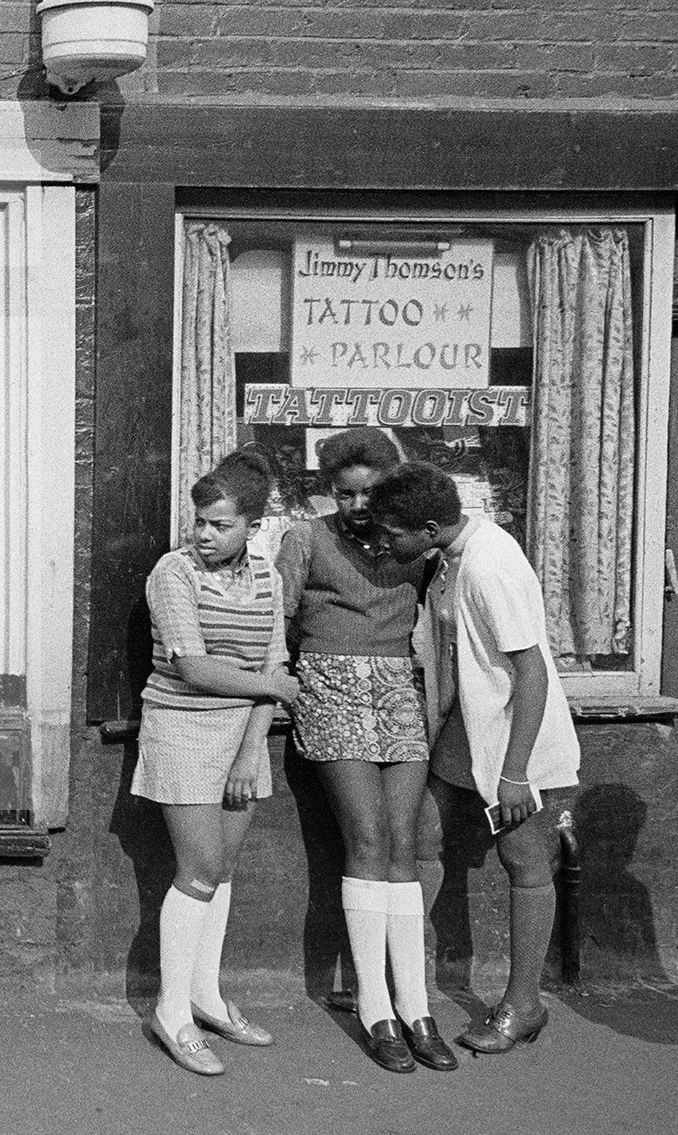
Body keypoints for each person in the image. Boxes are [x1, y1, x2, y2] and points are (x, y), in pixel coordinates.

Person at [368, 462, 581, 1055]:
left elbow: (532, 670)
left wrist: (514, 774)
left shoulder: (491, 565)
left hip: (519, 739)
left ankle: (524, 1005)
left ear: (430, 527)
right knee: (419, 842)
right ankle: (398, 983)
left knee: (524, 862)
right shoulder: (450, 558)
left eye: (394, 533)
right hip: (467, 730)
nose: (386, 543)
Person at [275, 429, 453, 1073]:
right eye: (343, 492)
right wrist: (285, 688)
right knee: (368, 838)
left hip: (401, 689)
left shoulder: (414, 547)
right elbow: (280, 622)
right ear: (329, 492)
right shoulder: (304, 540)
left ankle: (417, 1005)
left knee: (405, 842)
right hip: (331, 686)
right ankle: (376, 1006)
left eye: (368, 492)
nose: (355, 504)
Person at [134, 449, 297, 1076]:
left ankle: (206, 996)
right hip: (182, 726)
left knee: (223, 869)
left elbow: (270, 666)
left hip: (242, 735)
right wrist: (274, 692)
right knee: (198, 866)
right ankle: (171, 1012)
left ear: (251, 526)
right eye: (199, 521)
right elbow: (193, 668)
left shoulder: (268, 578)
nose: (204, 534)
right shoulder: (172, 574)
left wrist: (254, 744)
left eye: (220, 524)